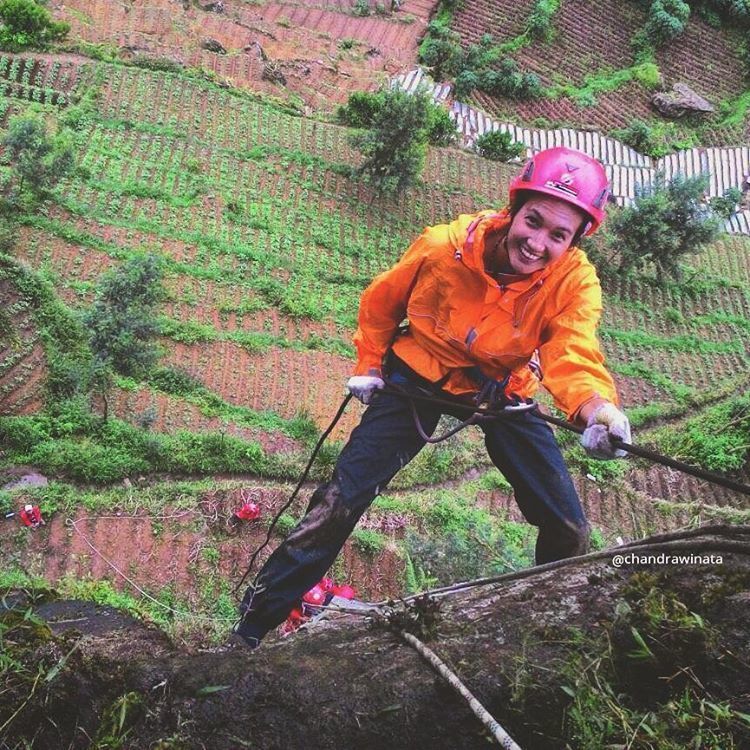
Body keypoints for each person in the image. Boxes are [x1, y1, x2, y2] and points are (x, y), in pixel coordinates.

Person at [234, 146, 630, 648]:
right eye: (533, 221)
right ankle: (248, 630)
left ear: (575, 241)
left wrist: (596, 408)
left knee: (569, 527)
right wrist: (369, 364)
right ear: (514, 210)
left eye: (558, 235)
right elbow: (383, 301)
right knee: (338, 500)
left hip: (500, 388)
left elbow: (572, 348)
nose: (536, 243)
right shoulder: (444, 247)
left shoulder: (574, 283)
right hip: (420, 376)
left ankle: (535, 630)